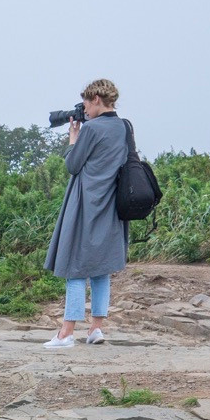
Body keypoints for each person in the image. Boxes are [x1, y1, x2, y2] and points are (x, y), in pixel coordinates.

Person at [43, 78, 128, 348]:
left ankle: (66, 334)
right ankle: (96, 330)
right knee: (102, 269)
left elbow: (73, 164)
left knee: (76, 268)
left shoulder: (91, 130)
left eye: (85, 103)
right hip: (111, 203)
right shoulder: (124, 127)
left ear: (96, 100)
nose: (83, 109)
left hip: (86, 202)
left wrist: (73, 139)